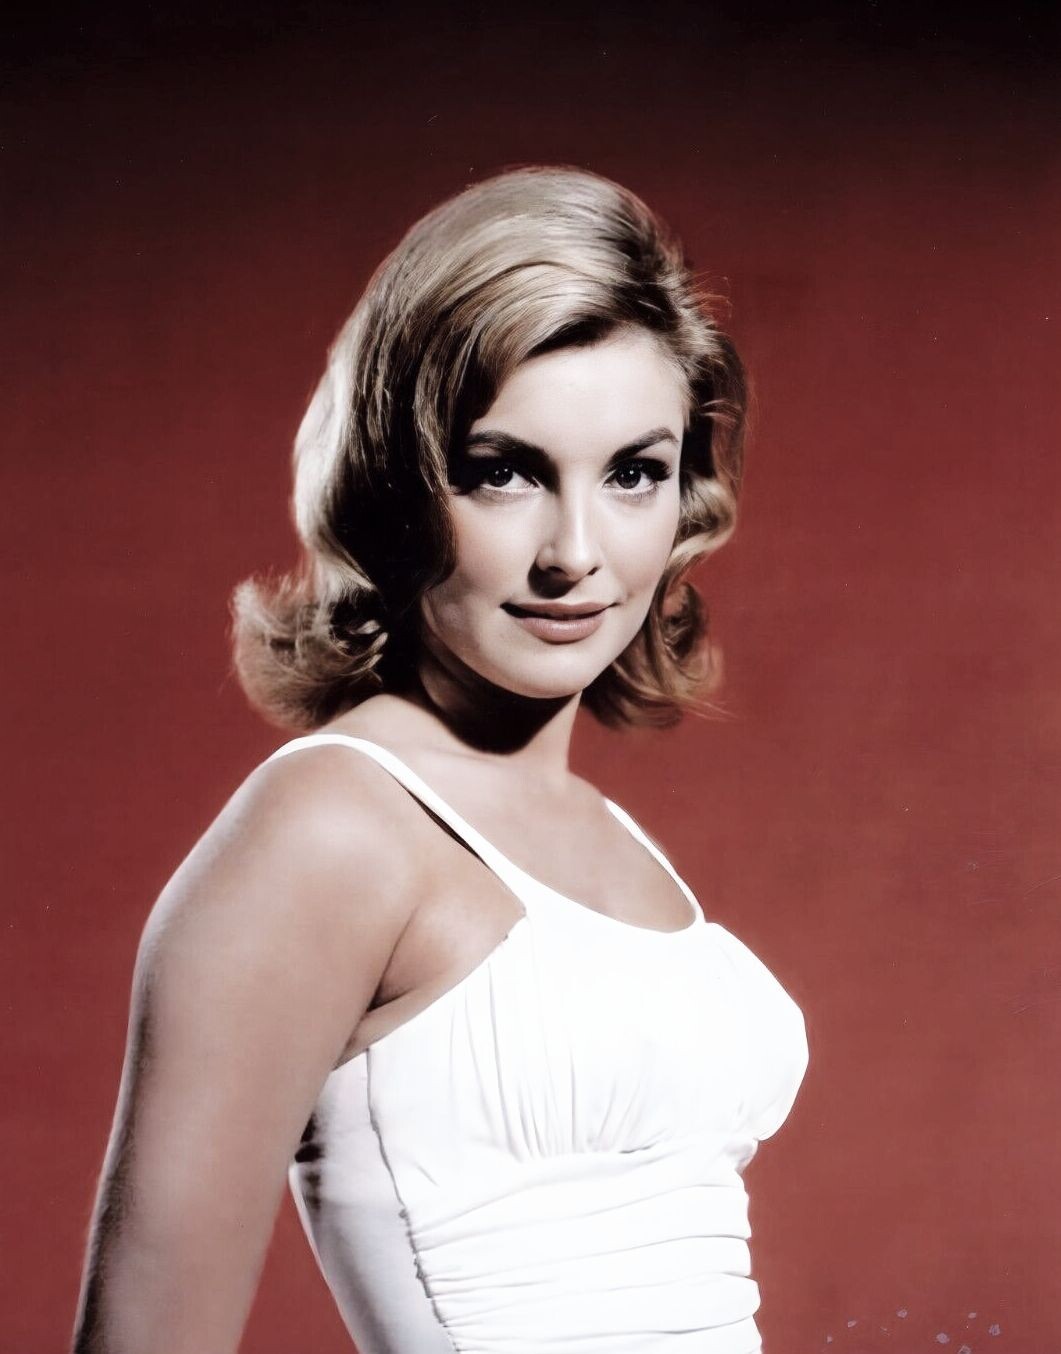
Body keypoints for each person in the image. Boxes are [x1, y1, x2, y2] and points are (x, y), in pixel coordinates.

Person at [72, 165, 809, 1354]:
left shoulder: (611, 837)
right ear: (393, 484)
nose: (575, 553)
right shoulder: (329, 829)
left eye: (632, 472)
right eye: (502, 470)